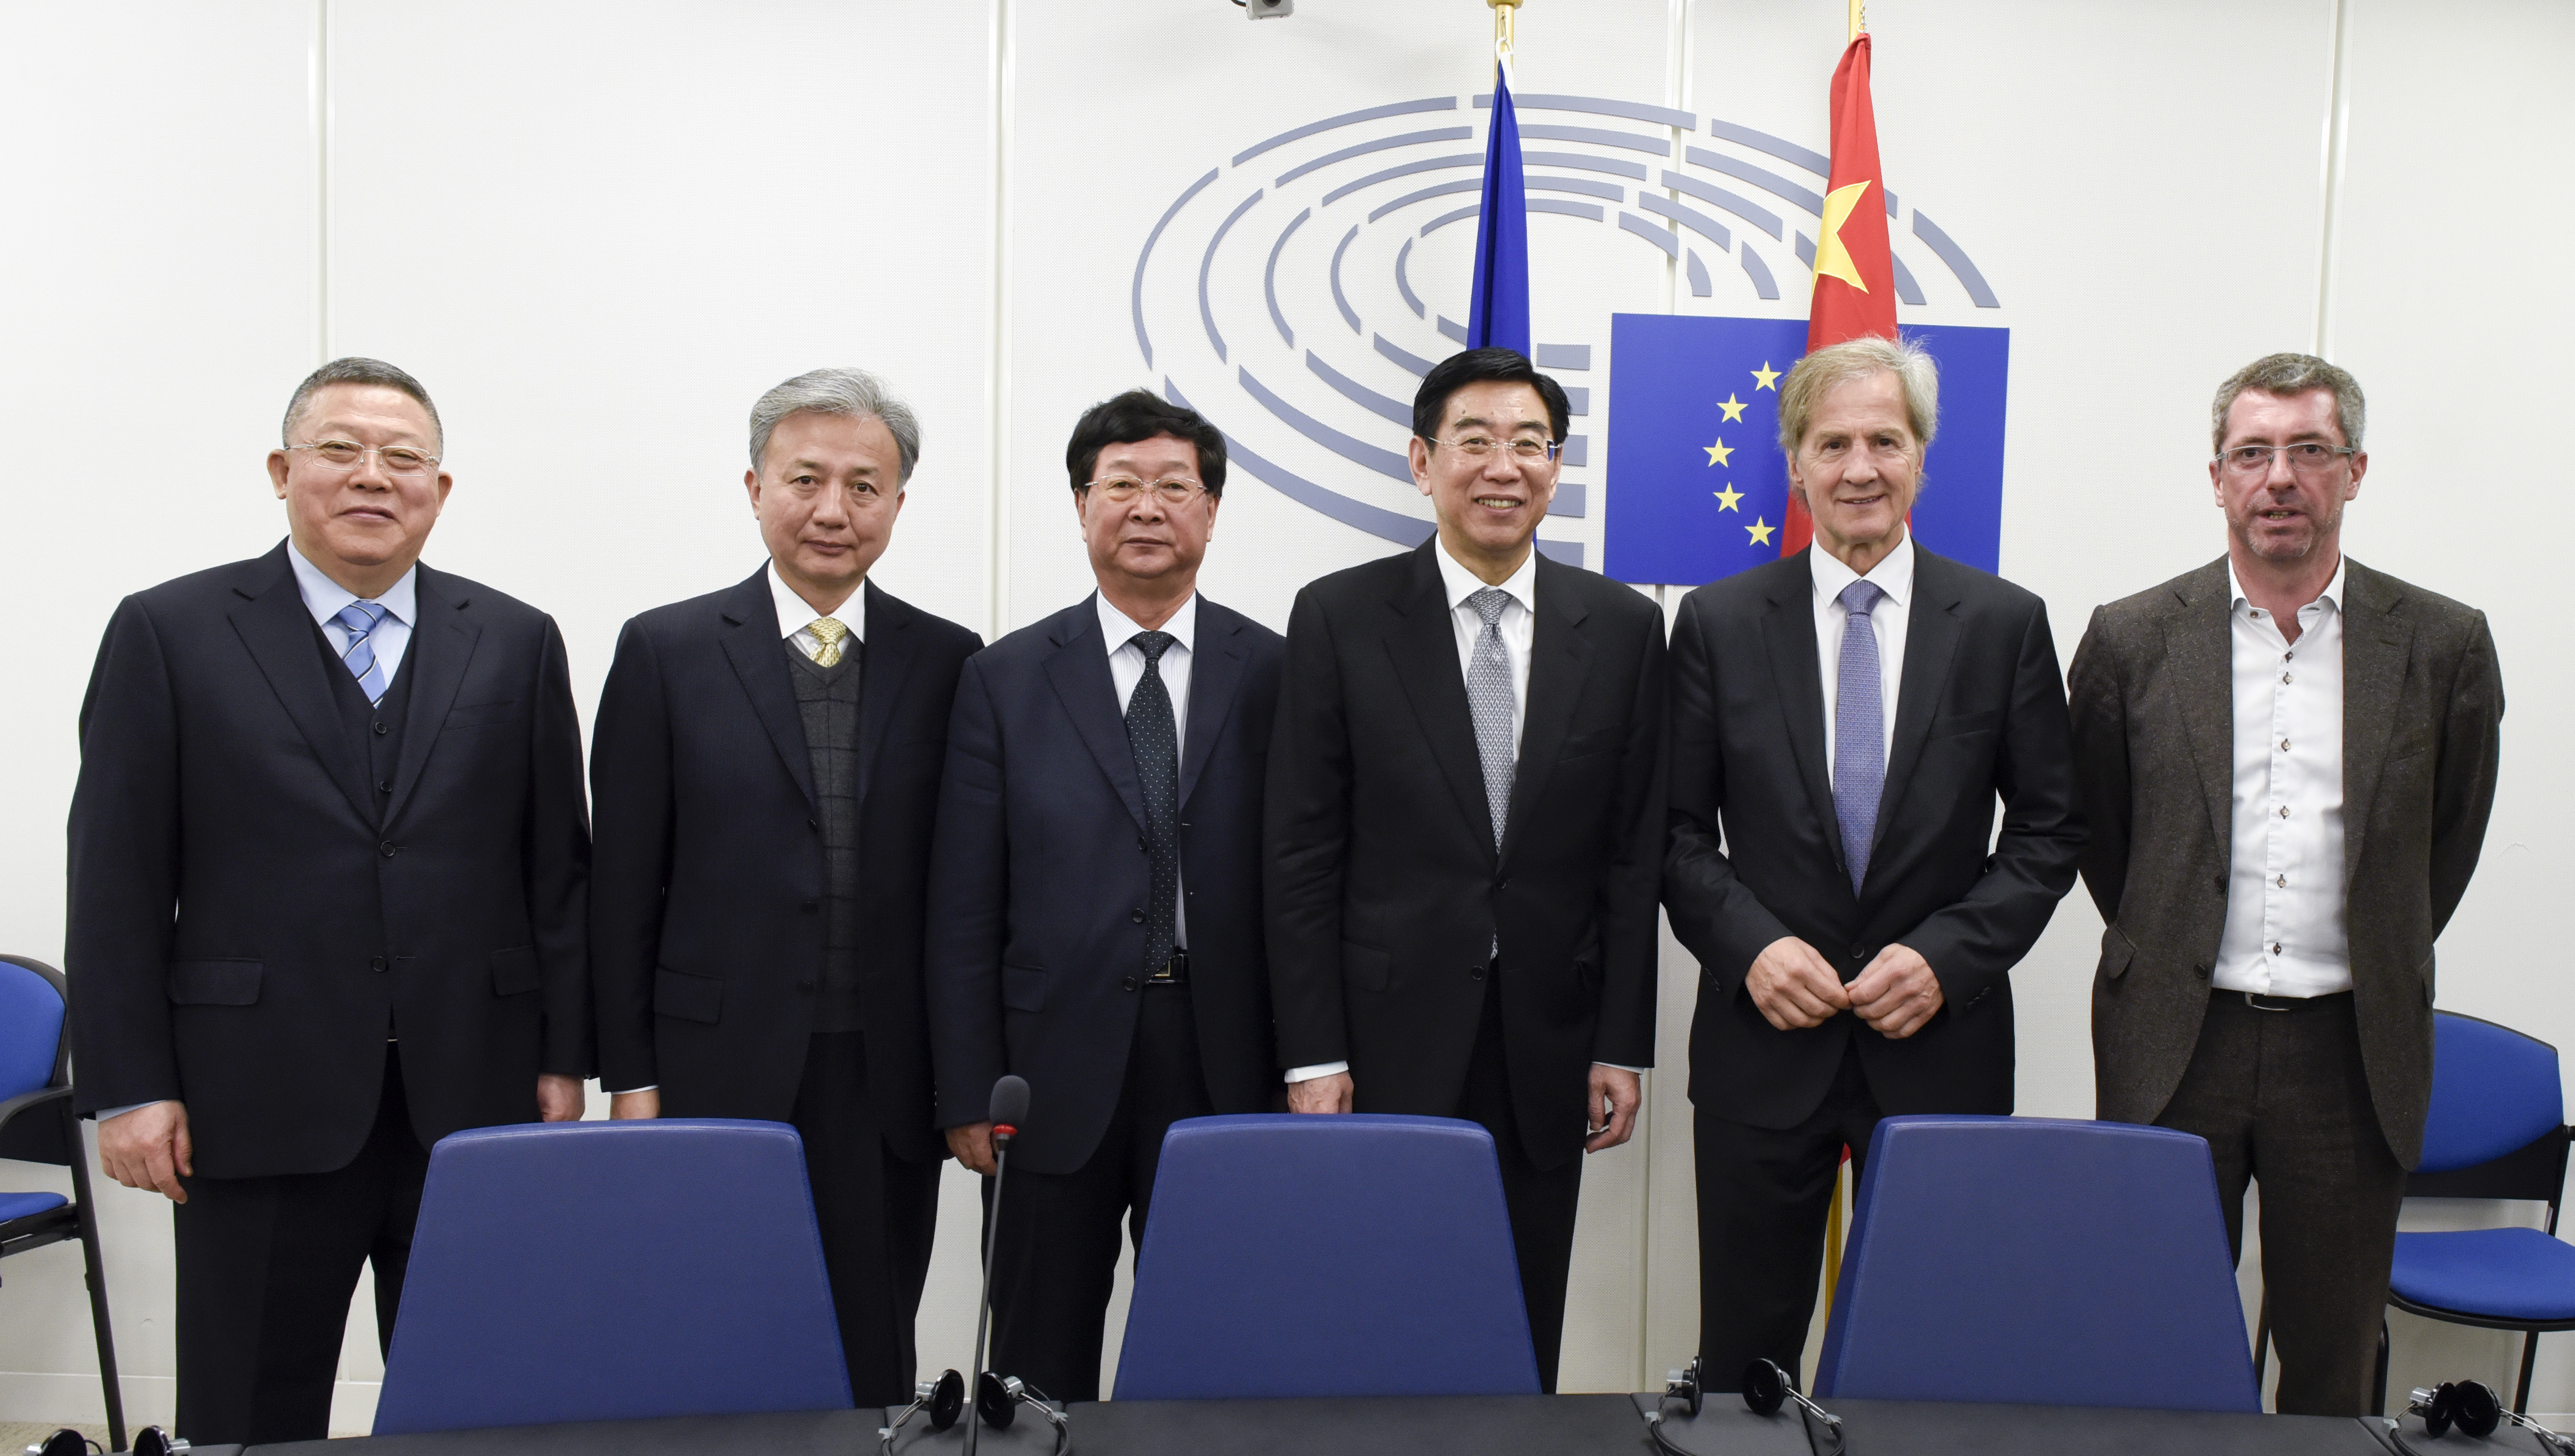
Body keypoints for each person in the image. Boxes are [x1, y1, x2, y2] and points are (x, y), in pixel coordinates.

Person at [66, 358, 591, 1443]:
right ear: (281, 469)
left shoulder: (517, 638)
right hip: (251, 1099)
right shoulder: (168, 632)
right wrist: (128, 1086)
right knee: (250, 1409)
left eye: (404, 458)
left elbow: (556, 873)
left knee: (482, 1407)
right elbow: (115, 876)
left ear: (439, 492)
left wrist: (561, 1054)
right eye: (340, 450)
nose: (373, 477)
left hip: (472, 1095)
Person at [2068, 353, 2502, 1415]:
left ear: (2353, 471)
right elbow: (2100, 835)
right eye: (2251, 453)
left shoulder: (2442, 644)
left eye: (2307, 451)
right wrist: (2170, 938)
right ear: (2214, 477)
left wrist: (2371, 944)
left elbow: (2442, 845)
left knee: (2329, 1359)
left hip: (2348, 1055)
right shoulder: (2129, 638)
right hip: (2176, 1041)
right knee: (2155, 1338)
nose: (2278, 478)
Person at [1663, 334, 2083, 1385]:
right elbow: (1669, 836)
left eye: (1883, 441)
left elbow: (2046, 832)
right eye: (1832, 441)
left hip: (1939, 1047)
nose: (1859, 466)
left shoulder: (2000, 624)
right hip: (1763, 1047)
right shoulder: (1715, 624)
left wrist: (1948, 956)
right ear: (1793, 462)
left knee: (1931, 1347)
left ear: (1921, 459)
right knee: (1743, 1360)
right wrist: (1750, 947)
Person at [1265, 347, 1665, 1391]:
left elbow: (1630, 857)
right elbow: (1300, 852)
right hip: (1381, 1040)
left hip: (1548, 1038)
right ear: (1420, 460)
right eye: (1474, 441)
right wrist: (1311, 1052)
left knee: (1522, 1322)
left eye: (1528, 445)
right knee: (1374, 1314)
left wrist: (1622, 1041)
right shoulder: (1339, 617)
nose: (1502, 466)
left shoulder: (1622, 629)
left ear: (1555, 466)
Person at [588, 368, 978, 1405]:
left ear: (897, 502)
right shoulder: (665, 651)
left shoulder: (950, 662)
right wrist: (627, 1075)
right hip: (709, 1064)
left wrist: (966, 1077)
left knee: (869, 1339)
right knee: (707, 1325)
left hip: (886, 1070)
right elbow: (623, 883)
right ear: (754, 486)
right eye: (804, 478)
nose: (831, 510)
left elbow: (967, 893)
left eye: (863, 485)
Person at [925, 390, 1283, 1402]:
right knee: (1037, 1361)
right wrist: (965, 1088)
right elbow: (961, 903)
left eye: (1174, 485)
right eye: (1119, 484)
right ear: (1081, 505)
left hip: (1222, 1059)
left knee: (1212, 1352)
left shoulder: (1278, 673)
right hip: (1048, 1070)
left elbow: (1305, 888)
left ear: (1211, 511)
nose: (1146, 506)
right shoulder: (1001, 679)